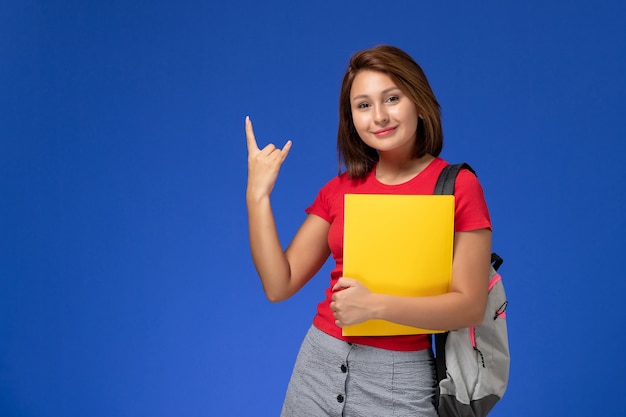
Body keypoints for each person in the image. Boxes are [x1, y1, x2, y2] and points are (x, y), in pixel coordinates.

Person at [245, 45, 492, 417]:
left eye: (391, 98)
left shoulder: (457, 185)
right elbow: (280, 284)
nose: (379, 116)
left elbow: (470, 307)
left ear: (419, 103)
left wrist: (374, 306)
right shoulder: (339, 189)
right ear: (352, 119)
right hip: (318, 364)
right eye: (363, 105)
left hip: (400, 379)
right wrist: (257, 196)